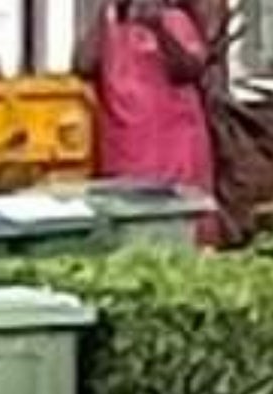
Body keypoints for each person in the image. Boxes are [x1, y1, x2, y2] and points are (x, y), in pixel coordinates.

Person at [78, 0, 221, 239]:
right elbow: (83, 64)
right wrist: (105, 14)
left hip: (171, 142)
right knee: (126, 217)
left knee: (175, 214)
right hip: (124, 144)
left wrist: (159, 28)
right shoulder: (112, 26)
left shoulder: (175, 20)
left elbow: (190, 68)